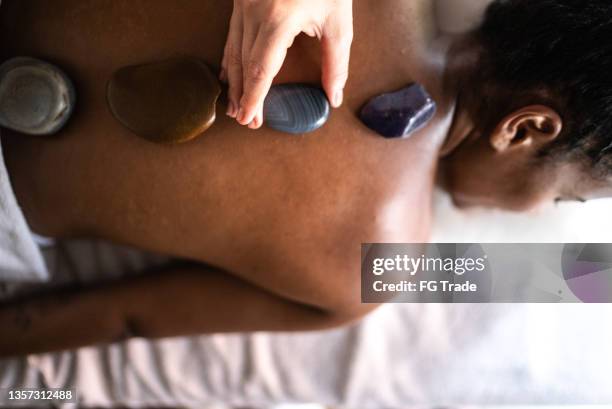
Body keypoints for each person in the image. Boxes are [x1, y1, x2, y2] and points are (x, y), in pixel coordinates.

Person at [1, 0, 611, 357]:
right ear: (527, 128)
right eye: (565, 195)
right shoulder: (378, 268)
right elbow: (118, 318)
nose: (539, 214)